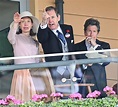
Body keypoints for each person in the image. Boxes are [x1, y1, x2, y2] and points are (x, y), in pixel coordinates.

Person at [37, 6, 78, 96]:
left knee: (74, 92)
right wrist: (43, 22)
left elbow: (71, 46)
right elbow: (41, 38)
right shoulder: (45, 32)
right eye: (48, 18)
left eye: (52, 17)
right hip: (56, 68)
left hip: (71, 66)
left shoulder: (68, 28)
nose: (50, 21)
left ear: (58, 17)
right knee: (59, 93)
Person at [7, 11, 40, 102]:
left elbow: (37, 59)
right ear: (20, 25)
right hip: (20, 72)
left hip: (33, 73)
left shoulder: (35, 41)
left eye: (28, 21)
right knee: (20, 99)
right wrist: (16, 22)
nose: (25, 24)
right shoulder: (16, 38)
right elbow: (10, 37)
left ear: (32, 24)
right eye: (23, 21)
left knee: (33, 99)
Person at [74, 18, 110, 98]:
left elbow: (106, 61)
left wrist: (95, 45)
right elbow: (76, 62)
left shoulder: (104, 46)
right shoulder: (77, 47)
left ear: (97, 33)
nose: (91, 34)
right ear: (85, 32)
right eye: (89, 31)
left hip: (99, 81)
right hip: (83, 81)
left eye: (94, 31)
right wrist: (85, 63)